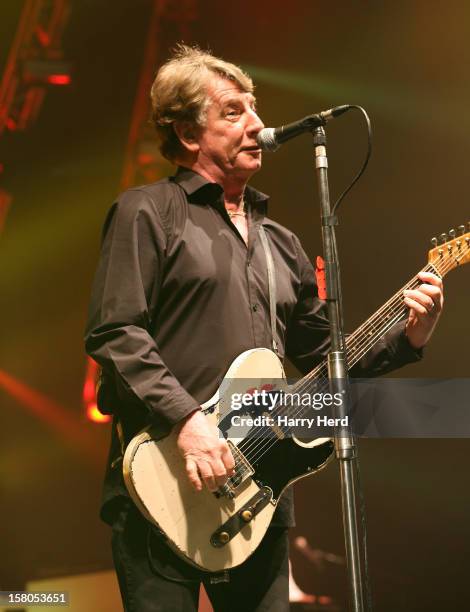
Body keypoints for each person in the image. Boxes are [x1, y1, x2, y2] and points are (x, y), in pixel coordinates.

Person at [84, 45, 443, 612]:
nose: (257, 123)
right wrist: (186, 420)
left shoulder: (281, 242)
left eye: (254, 107)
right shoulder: (147, 212)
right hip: (163, 486)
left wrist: (409, 337)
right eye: (232, 111)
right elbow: (115, 332)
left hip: (258, 495)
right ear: (187, 132)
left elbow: (328, 361)